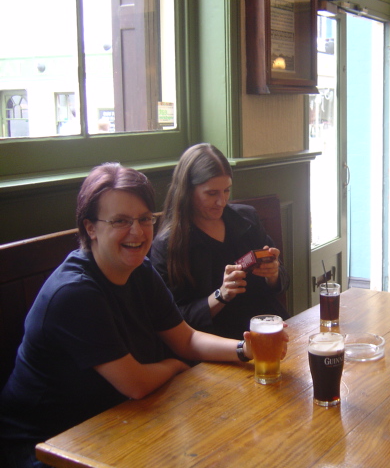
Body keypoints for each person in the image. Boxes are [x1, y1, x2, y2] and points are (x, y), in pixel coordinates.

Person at [0, 163, 287, 468]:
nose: (137, 232)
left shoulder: (140, 270)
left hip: (113, 421)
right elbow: (135, 383)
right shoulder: (74, 292)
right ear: (90, 228)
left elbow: (186, 338)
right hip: (47, 446)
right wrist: (175, 366)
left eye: (144, 219)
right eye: (120, 221)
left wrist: (246, 349)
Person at [150, 143, 289, 340]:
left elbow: (283, 281)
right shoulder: (168, 245)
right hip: (218, 343)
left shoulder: (246, 219)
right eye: (211, 193)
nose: (221, 201)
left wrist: (273, 274)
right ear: (187, 191)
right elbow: (175, 320)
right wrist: (221, 295)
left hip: (268, 330)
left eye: (226, 190)